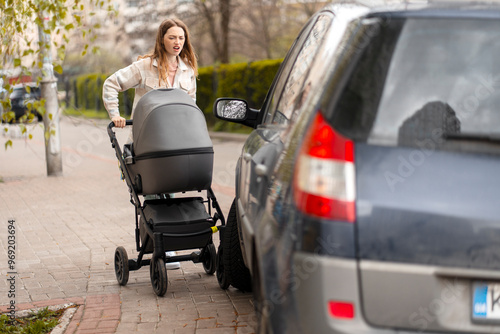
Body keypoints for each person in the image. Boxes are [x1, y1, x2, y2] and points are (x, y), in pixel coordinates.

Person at [103, 18, 198, 270]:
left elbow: (191, 107)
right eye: (172, 38)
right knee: (154, 192)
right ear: (162, 39)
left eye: (181, 38)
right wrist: (115, 115)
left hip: (175, 143)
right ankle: (163, 246)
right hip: (147, 142)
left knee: (171, 190)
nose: (177, 42)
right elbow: (111, 84)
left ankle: (166, 242)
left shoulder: (188, 69)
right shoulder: (144, 67)